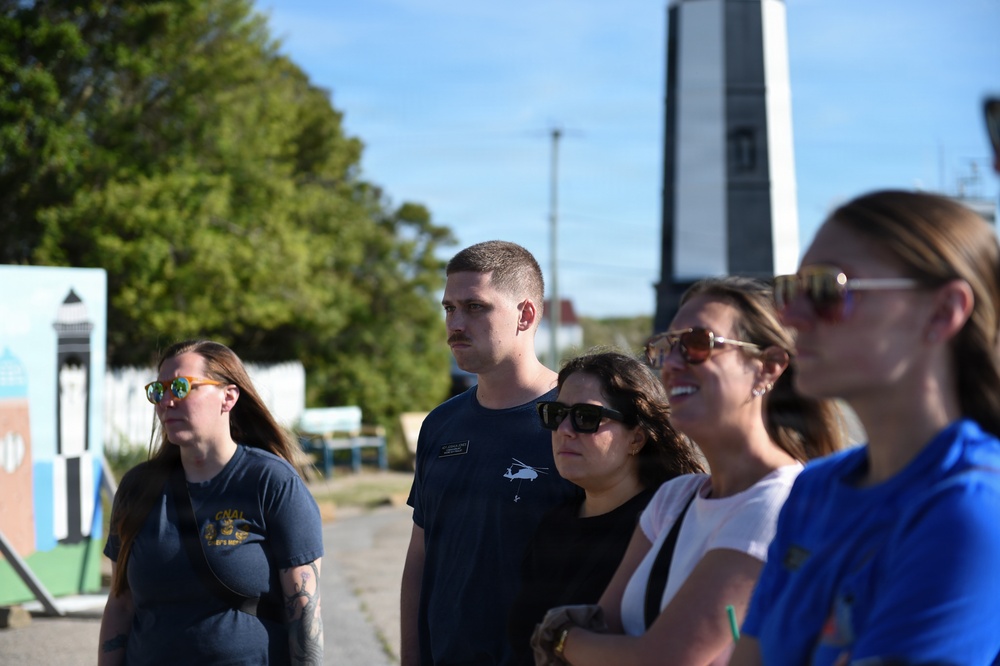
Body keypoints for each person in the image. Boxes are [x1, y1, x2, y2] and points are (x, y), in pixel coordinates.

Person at [731, 190, 1000, 665]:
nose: (789, 316)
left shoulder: (971, 510)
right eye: (790, 291)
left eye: (825, 290)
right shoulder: (814, 487)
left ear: (943, 312)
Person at [534, 276, 843, 665]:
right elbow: (603, 624)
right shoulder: (674, 499)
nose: (672, 363)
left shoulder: (782, 502)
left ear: (768, 367)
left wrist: (561, 639)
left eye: (698, 344)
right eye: (665, 347)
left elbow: (663, 658)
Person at [400, 240, 578, 666]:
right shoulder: (440, 425)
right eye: (449, 309)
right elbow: (420, 559)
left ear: (526, 315)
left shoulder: (577, 422)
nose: (455, 324)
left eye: (475, 307)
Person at [98, 340, 324, 666]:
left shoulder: (271, 482)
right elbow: (120, 604)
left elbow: (304, 609)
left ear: (228, 397)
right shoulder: (138, 487)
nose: (167, 400)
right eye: (158, 390)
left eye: (180, 386)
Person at [506, 350, 705, 665]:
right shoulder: (553, 524)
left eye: (586, 417)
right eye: (556, 414)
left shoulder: (667, 526)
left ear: (636, 438)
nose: (565, 430)